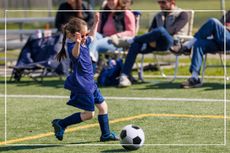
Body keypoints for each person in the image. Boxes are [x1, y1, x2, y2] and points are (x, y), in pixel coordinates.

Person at [52, 14, 119, 142]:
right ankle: (62, 123)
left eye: (85, 34)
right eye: (82, 36)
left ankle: (106, 135)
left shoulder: (84, 41)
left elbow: (92, 36)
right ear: (72, 35)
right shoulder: (73, 46)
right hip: (83, 84)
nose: (85, 37)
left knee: (103, 107)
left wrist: (96, 22)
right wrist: (77, 43)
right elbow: (75, 55)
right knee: (89, 114)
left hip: (90, 83)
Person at [118, 0, 190, 87]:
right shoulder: (158, 16)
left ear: (172, 2)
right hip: (156, 44)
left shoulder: (182, 14)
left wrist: (153, 38)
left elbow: (172, 30)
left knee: (161, 30)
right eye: (159, 2)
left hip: (173, 44)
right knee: (135, 45)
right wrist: (150, 40)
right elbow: (150, 32)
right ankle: (124, 76)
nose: (160, 5)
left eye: (163, 2)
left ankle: (134, 39)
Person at [172, 11, 230, 88]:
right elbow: (220, 25)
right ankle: (194, 78)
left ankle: (187, 46)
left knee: (213, 21)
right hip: (220, 41)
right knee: (199, 44)